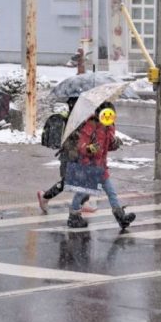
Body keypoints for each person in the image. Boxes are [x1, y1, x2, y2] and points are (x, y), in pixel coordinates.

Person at [63, 101, 136, 231]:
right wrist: (90, 149)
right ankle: (73, 215)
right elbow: (81, 147)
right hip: (88, 166)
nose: (108, 118)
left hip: (101, 167)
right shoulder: (91, 125)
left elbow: (108, 146)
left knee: (111, 192)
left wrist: (115, 143)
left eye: (111, 115)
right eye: (106, 115)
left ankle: (120, 217)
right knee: (82, 192)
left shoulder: (109, 127)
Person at [37, 97, 94, 215]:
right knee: (67, 182)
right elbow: (69, 141)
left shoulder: (82, 119)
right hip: (69, 156)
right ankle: (45, 196)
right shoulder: (71, 121)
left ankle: (84, 202)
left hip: (80, 155)